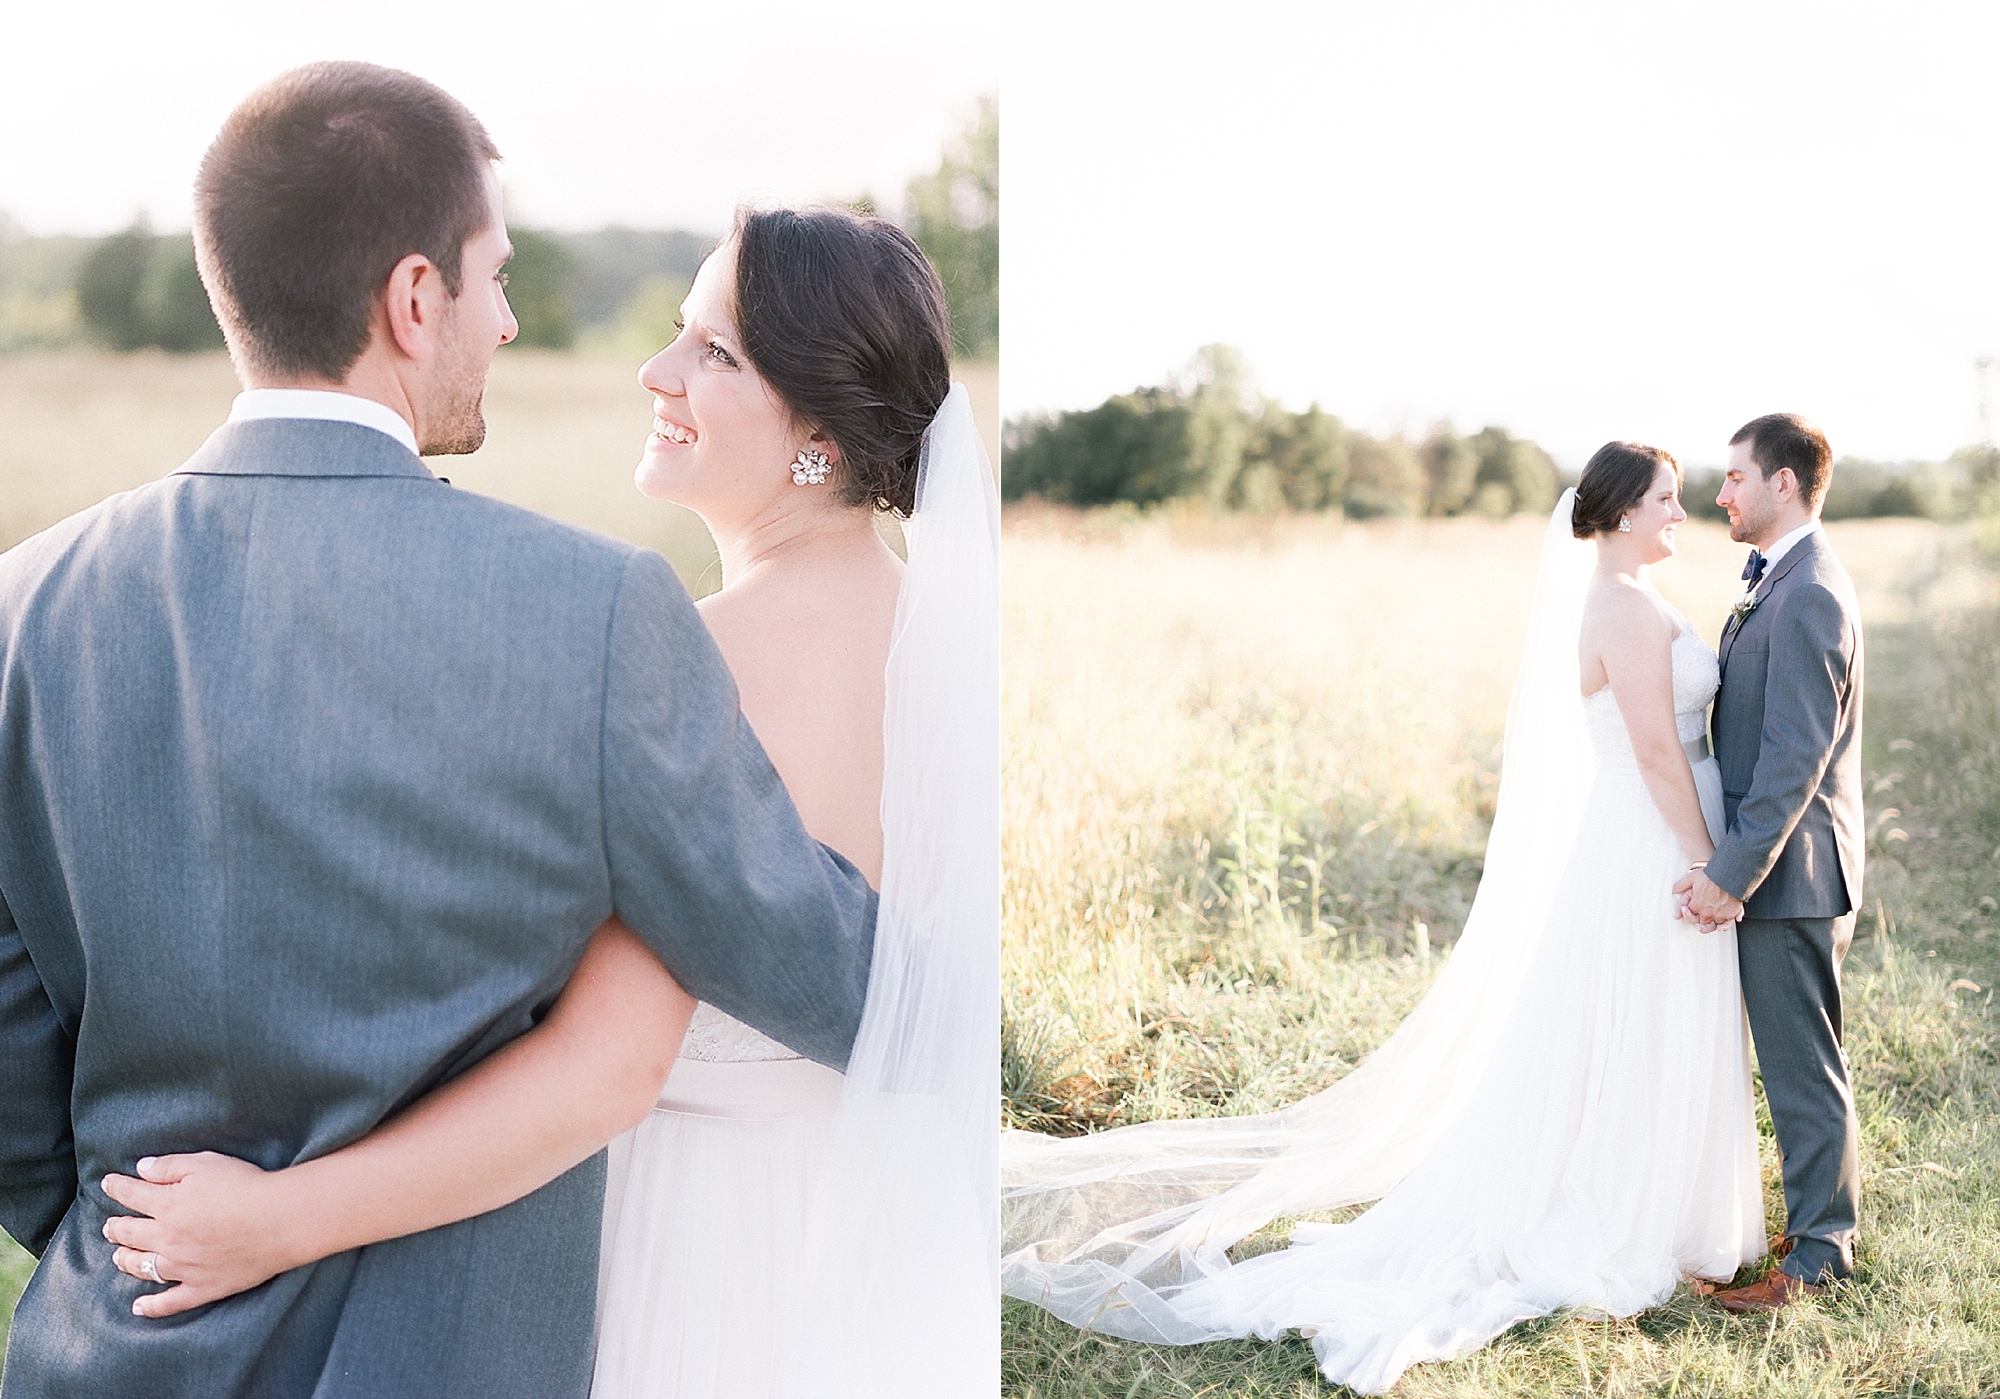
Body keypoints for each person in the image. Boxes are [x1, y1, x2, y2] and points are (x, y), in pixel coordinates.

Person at [0, 64, 880, 1399]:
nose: (510, 321)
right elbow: (827, 973)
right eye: (495, 276)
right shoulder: (597, 610)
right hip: (460, 1353)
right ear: (416, 301)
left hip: (123, 1332)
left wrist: (127, 1237)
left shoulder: (25, 599)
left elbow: (9, 1035)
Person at [1001, 443, 1764, 1394]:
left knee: (1643, 1027)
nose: (1679, 515)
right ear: (1616, 514)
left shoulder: (1632, 602)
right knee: (1641, 1022)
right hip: (1653, 841)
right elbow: (1656, 752)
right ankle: (1632, 1212)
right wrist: (1707, 864)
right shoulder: (1621, 607)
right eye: (1666, 500)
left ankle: (1660, 1203)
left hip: (1651, 835)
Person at [1675, 413, 1864, 1312]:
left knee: (1800, 1064)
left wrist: (1728, 875)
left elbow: (1796, 757)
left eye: (1736, 477)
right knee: (1796, 1059)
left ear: (1783, 482)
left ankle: (1823, 1253)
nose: (1722, 495)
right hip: (1785, 869)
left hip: (1792, 875)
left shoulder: (1810, 589)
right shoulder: (1780, 581)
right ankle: (1814, 1226)